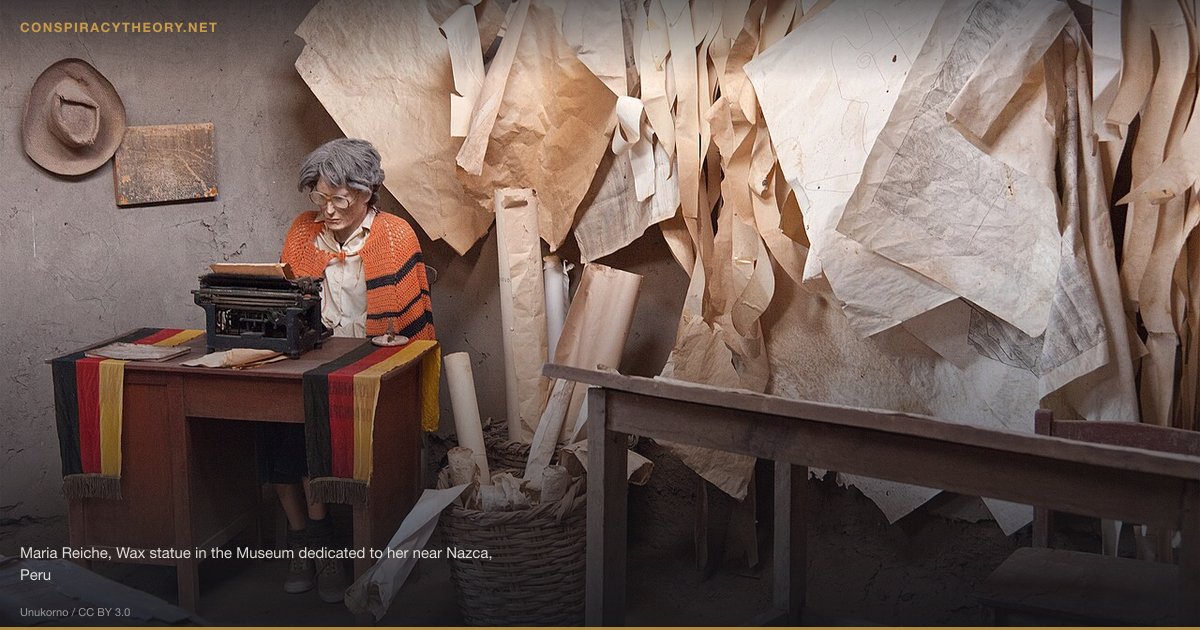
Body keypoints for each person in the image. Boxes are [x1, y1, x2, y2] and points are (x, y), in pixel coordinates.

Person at [264, 138, 435, 602]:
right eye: (320, 198)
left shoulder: (395, 235)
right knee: (274, 426)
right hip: (312, 363)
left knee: (317, 430)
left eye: (340, 199)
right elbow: (288, 309)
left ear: (367, 192)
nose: (329, 210)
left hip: (373, 370)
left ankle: (330, 548)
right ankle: (309, 541)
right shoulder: (303, 232)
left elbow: (410, 327)